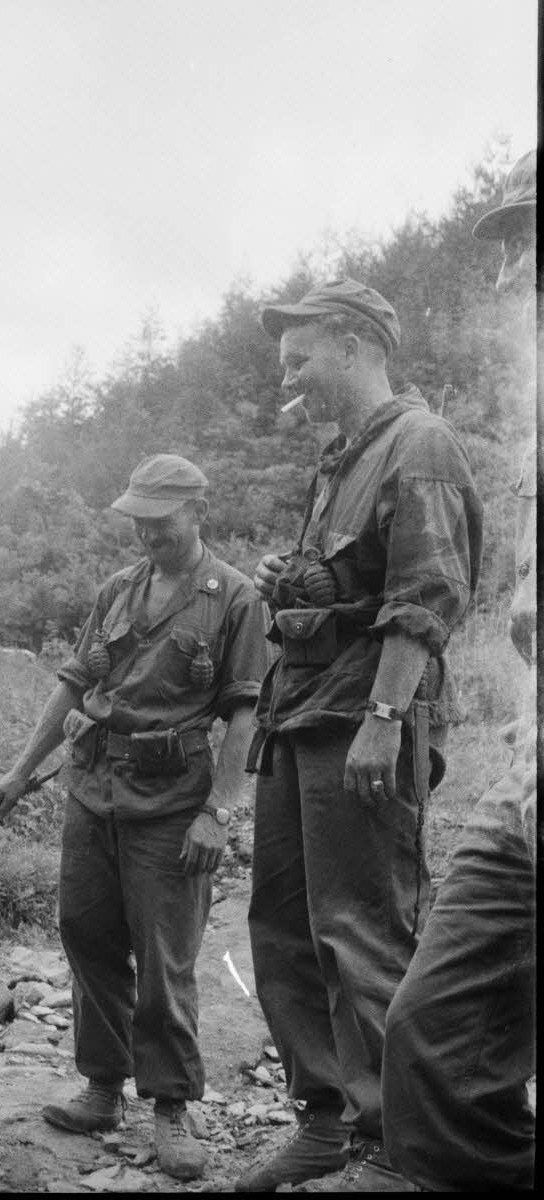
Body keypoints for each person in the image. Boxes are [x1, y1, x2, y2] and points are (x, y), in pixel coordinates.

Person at [237, 279, 483, 1192]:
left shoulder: (419, 446)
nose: (289, 376)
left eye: (300, 357)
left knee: (362, 932)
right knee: (284, 924)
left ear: (352, 344)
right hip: (300, 717)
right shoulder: (340, 460)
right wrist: (288, 580)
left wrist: (384, 721)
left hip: (361, 723)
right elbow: (345, 589)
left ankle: (394, 1146)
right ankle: (325, 1121)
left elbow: (424, 602)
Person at [0, 454, 267, 1183]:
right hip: (93, 788)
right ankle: (103, 1087)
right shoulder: (117, 590)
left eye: (161, 520)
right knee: (87, 934)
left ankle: (171, 1106)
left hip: (172, 802)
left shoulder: (234, 598)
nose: (147, 534)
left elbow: (244, 712)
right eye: (138, 521)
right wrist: (20, 770)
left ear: (196, 512)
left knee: (164, 956)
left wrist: (219, 811)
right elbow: (75, 686)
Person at [378, 149, 537, 1193]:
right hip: (531, 782)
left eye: (530, 241)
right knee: (426, 1033)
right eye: (517, 243)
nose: (513, 271)